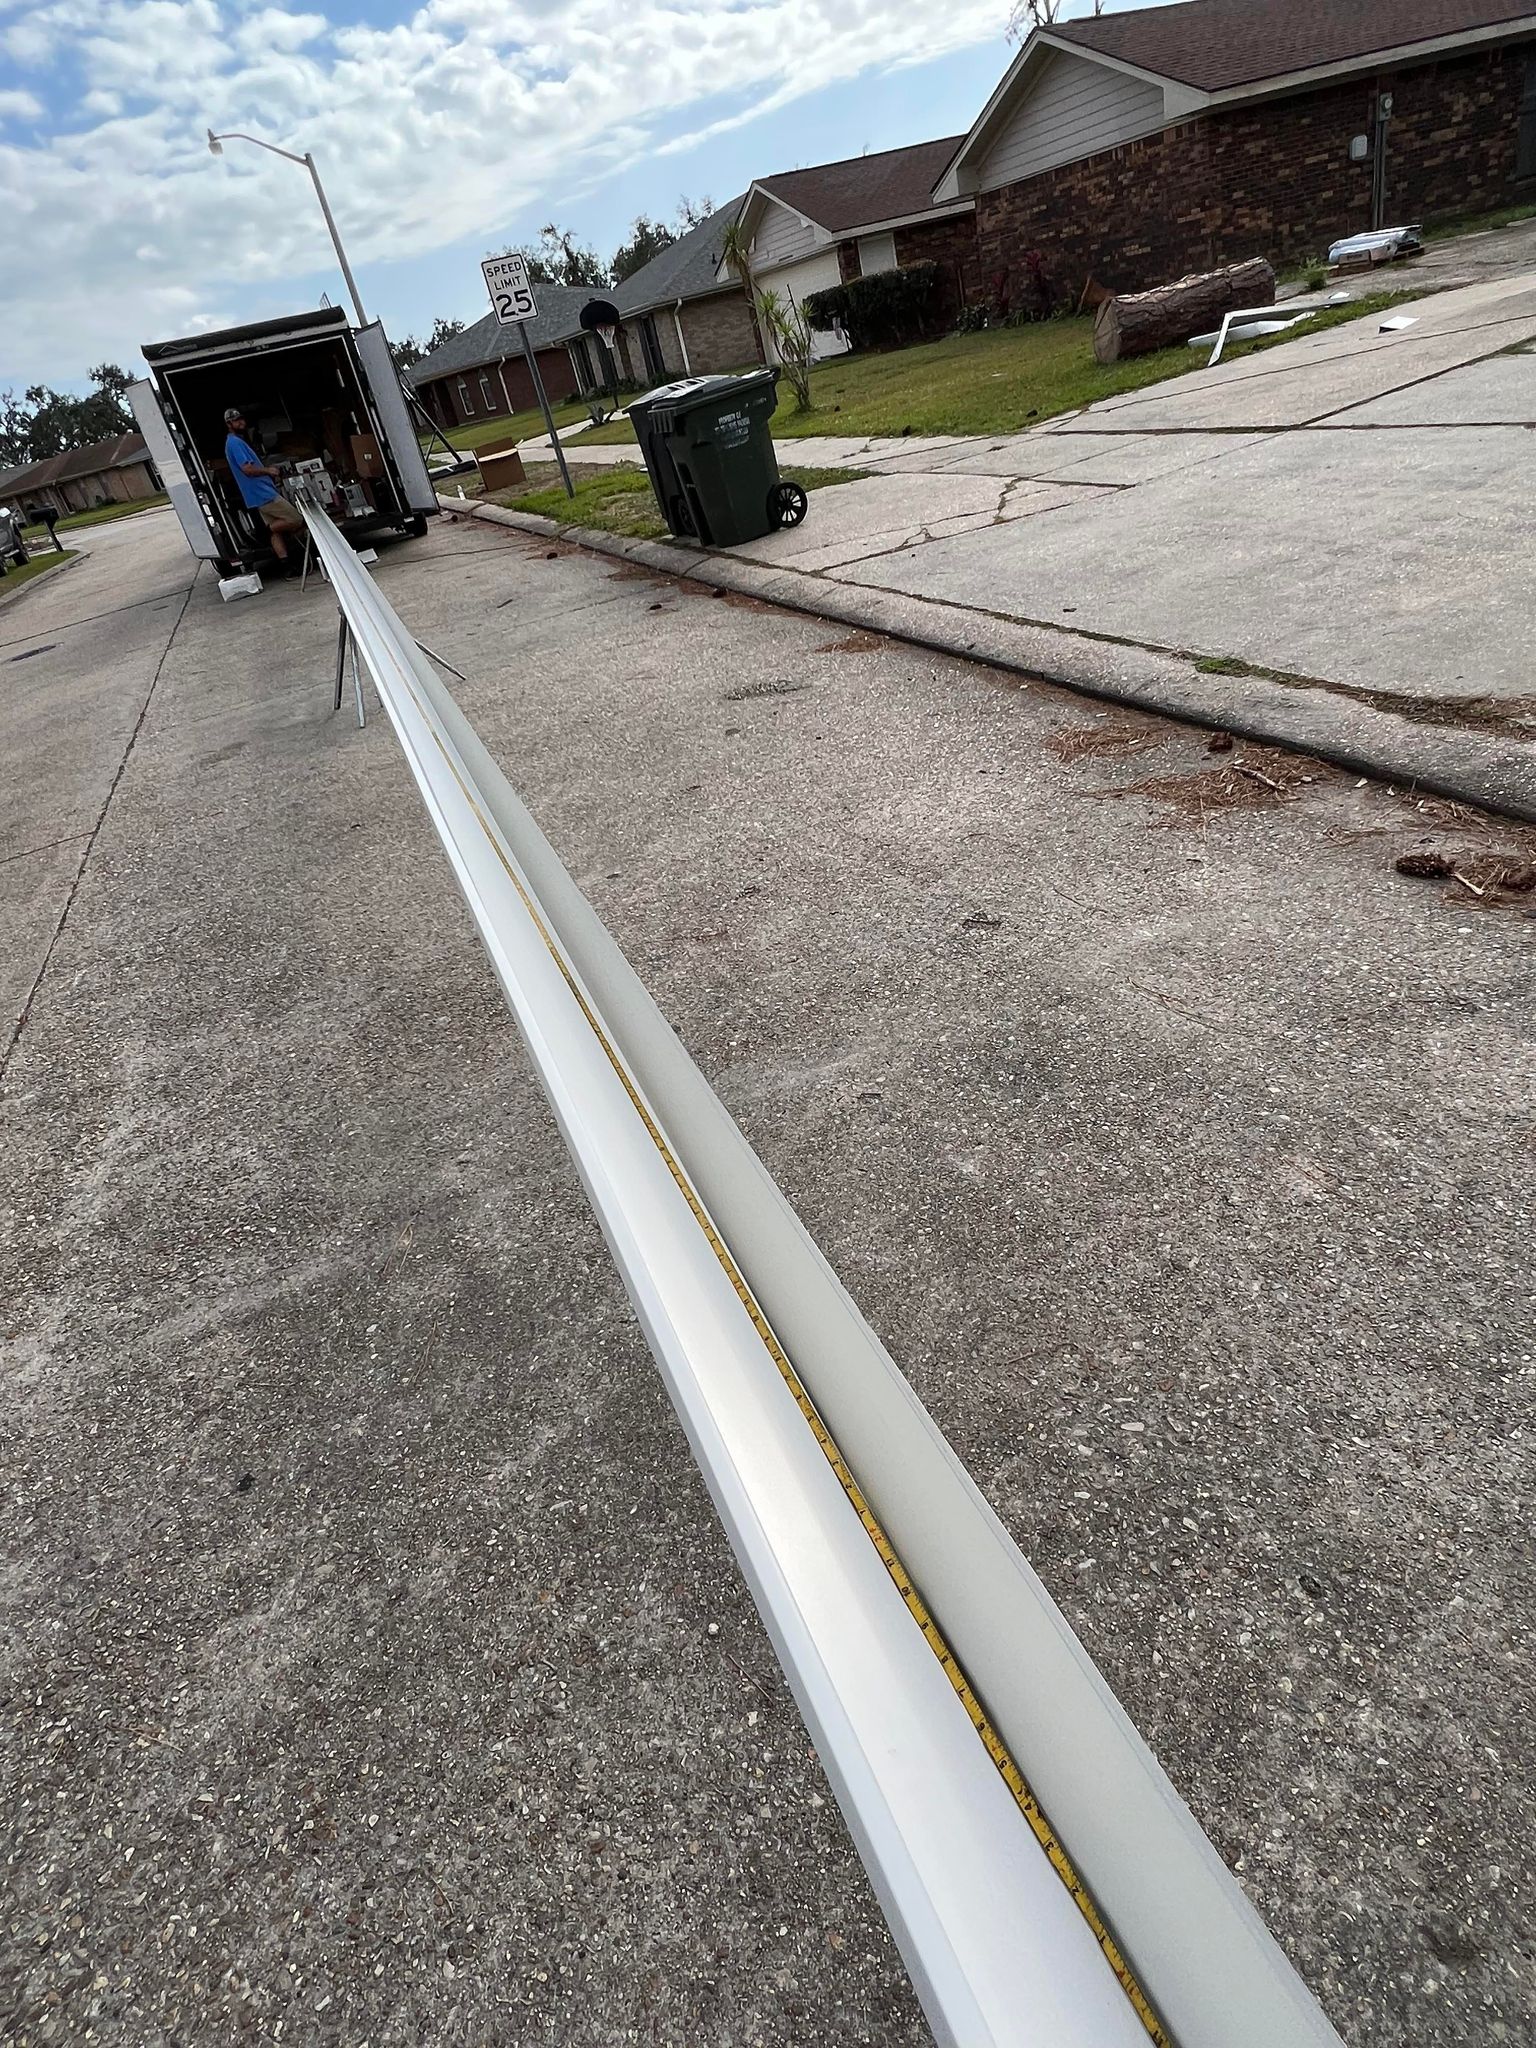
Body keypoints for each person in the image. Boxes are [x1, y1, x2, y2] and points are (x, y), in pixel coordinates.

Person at [222, 407, 304, 568]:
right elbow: (247, 469)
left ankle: (286, 565)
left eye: (242, 419)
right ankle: (263, 532)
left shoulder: (235, 442)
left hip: (257, 494)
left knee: (277, 531)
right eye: (237, 421)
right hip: (263, 493)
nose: (241, 422)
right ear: (229, 424)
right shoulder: (235, 443)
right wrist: (269, 470)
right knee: (296, 519)